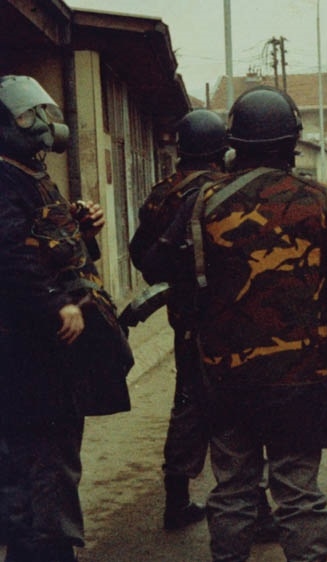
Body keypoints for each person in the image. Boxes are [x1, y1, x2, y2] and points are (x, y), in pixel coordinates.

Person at [143, 85, 327, 562]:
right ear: (293, 141)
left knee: (231, 489)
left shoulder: (202, 202)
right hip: (300, 378)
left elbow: (155, 266)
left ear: (235, 144)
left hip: (225, 376)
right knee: (299, 493)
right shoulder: (324, 203)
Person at [128, 108, 279, 538]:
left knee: (188, 402)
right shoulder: (227, 190)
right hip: (233, 318)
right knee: (242, 412)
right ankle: (257, 510)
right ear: (223, 151)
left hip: (186, 317)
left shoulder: (161, 194)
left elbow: (142, 256)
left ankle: (176, 500)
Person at [0, 75, 132, 561]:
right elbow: (9, 256)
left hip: (45, 353)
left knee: (51, 462)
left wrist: (81, 229)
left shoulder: (29, 172)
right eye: (25, 115)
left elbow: (46, 247)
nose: (40, 124)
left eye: (41, 112)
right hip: (24, 352)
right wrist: (55, 302)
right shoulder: (4, 178)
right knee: (41, 466)